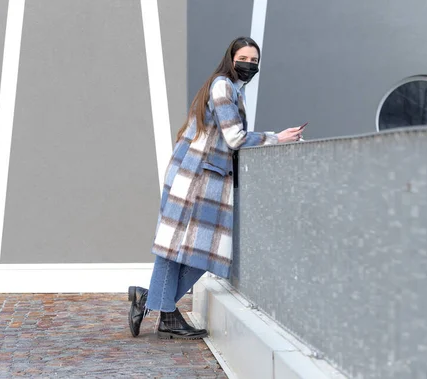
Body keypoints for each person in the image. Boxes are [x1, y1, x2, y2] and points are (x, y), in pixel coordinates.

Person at [128, 37, 305, 340]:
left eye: (254, 60)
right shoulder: (223, 86)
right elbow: (234, 138)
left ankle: (150, 301)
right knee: (185, 251)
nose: (249, 64)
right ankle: (162, 310)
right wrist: (277, 138)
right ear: (231, 58)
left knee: (191, 250)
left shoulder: (231, 88)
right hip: (197, 178)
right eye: (244, 58)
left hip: (203, 177)